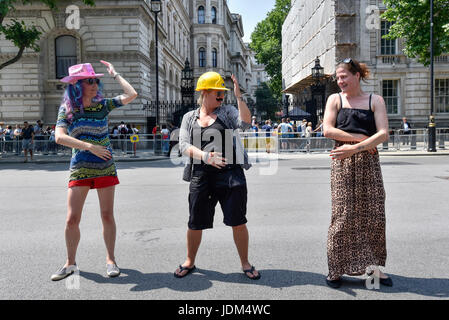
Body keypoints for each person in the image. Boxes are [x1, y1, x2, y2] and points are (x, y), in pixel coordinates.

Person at [51, 61, 138, 281]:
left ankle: (111, 260)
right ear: (77, 85)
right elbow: (59, 137)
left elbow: (132, 94)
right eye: (89, 80)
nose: (94, 84)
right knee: (72, 219)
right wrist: (90, 146)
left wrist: (115, 73)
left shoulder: (103, 105)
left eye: (96, 80)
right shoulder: (68, 110)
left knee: (107, 215)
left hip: (105, 167)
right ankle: (70, 263)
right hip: (80, 168)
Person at [176, 71, 260, 280]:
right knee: (195, 222)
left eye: (223, 92)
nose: (221, 96)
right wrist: (205, 156)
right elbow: (183, 145)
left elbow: (246, 122)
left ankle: (245, 263)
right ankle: (190, 261)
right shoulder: (189, 117)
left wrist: (239, 96)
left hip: (231, 175)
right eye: (217, 92)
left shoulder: (228, 112)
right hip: (201, 175)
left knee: (238, 221)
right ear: (204, 92)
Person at [322, 58, 391, 288]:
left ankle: (372, 268)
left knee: (373, 215)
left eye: (344, 77)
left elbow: (383, 134)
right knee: (343, 216)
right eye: (337, 77)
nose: (340, 81)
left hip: (368, 163)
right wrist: (360, 139)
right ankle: (335, 269)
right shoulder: (335, 99)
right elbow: (327, 130)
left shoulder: (375, 100)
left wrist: (357, 146)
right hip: (342, 163)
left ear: (357, 76)